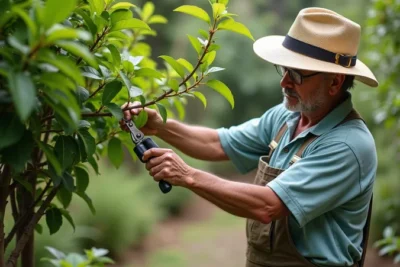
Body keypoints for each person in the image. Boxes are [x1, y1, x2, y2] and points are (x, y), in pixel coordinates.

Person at [121, 7, 378, 267]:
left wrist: (187, 175)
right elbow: (218, 143)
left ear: (334, 83)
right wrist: (160, 126)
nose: (284, 83)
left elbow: (268, 206)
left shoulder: (348, 145)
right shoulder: (287, 116)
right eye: (284, 70)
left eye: (297, 75)